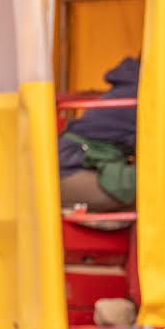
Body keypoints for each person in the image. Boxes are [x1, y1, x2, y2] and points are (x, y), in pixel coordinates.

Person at [59, 56, 139, 213]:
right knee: (157, 188)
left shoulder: (133, 83)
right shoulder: (143, 91)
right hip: (71, 168)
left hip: (75, 162)